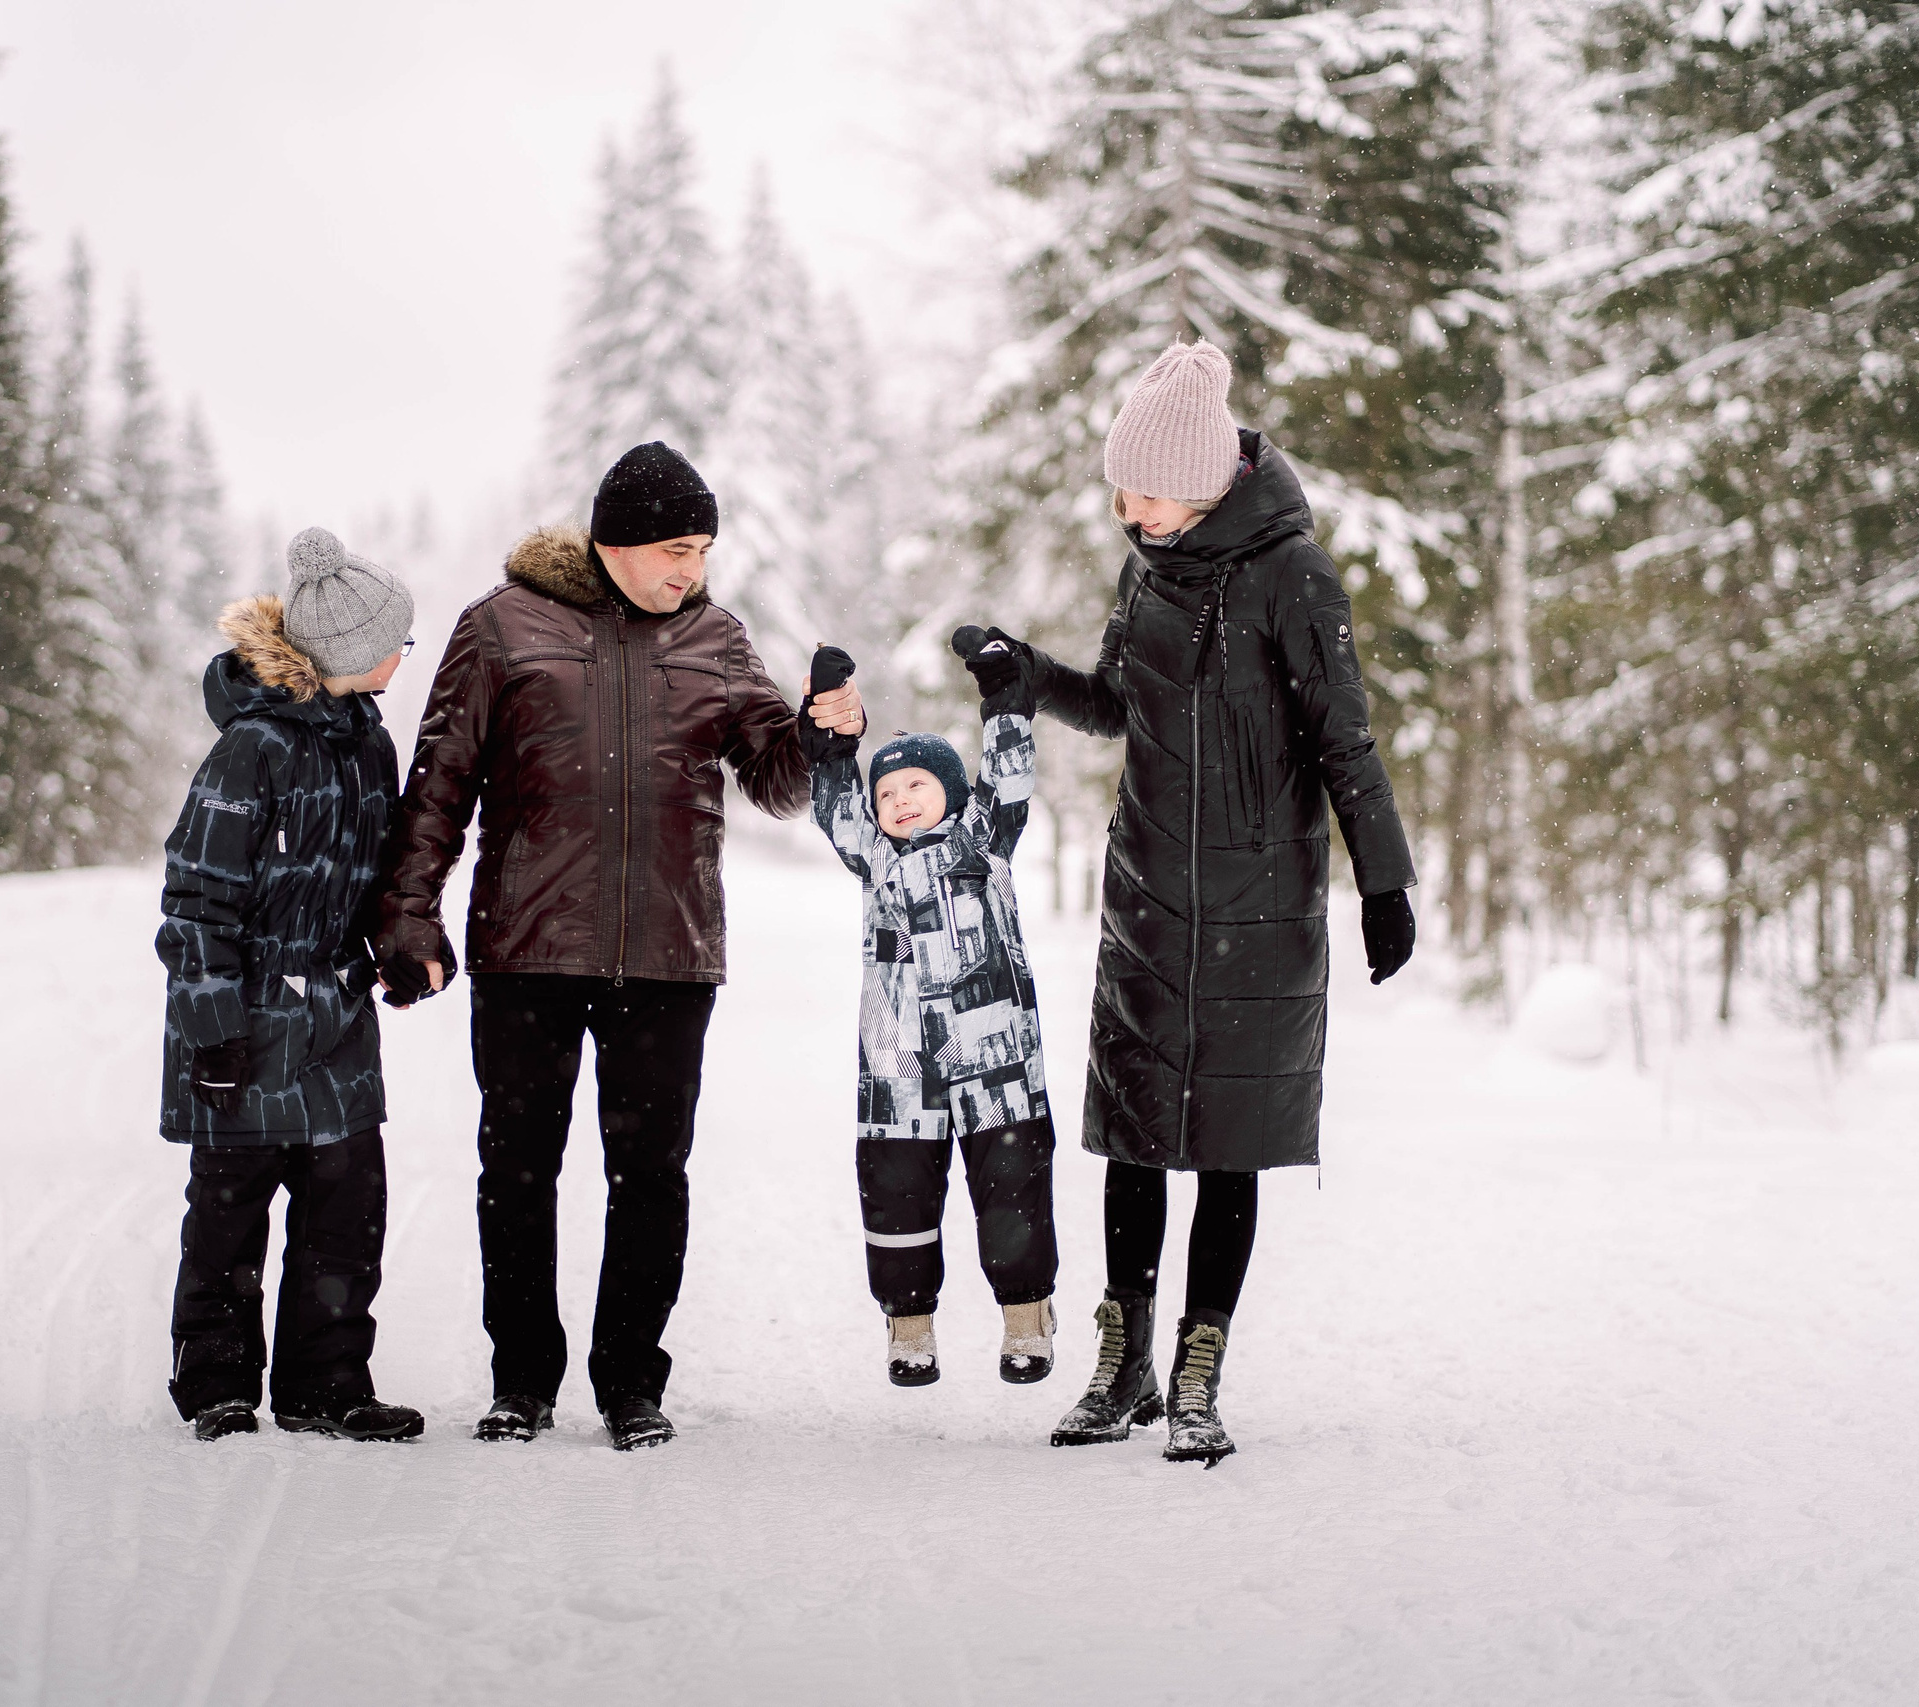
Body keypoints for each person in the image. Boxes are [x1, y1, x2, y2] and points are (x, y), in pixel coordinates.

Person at [974, 340, 1416, 1466]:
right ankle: (1120, 1360)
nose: (1132, 511)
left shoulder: (1294, 576)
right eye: (1121, 491)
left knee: (1231, 1139)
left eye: (1150, 491)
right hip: (1151, 897)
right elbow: (1119, 705)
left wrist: (1384, 881)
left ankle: (1196, 1372)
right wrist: (1027, 674)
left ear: (1211, 478)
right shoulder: (1148, 569)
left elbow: (1343, 738)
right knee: (1132, 1135)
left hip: (1263, 904)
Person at [373, 442, 860, 1451]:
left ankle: (632, 1382)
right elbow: (439, 787)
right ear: (619, 542)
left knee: (651, 1177)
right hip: (528, 948)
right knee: (517, 1173)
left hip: (669, 957)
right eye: (678, 548)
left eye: (703, 549)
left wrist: (822, 736)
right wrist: (410, 912)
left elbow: (775, 781)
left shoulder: (715, 638)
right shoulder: (501, 628)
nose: (693, 568)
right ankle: (523, 1382)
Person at [155, 527, 426, 1444]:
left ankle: (326, 1383)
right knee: (230, 1210)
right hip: (250, 1017)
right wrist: (212, 1025)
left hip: (338, 1016)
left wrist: (394, 948)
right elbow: (195, 895)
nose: (403, 652)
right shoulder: (253, 751)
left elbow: (377, 874)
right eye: (397, 637)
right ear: (350, 651)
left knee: (346, 1210)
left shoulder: (368, 743)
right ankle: (219, 1383)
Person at [802, 636, 1061, 1389]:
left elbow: (1009, 777)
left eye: (918, 784)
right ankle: (908, 1324)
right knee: (897, 1197)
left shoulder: (986, 838)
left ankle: (1026, 1318)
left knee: (1012, 1194)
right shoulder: (874, 855)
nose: (901, 799)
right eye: (889, 792)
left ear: (953, 791)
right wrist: (830, 736)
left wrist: (1003, 694)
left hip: (998, 1063)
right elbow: (834, 801)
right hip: (899, 1067)